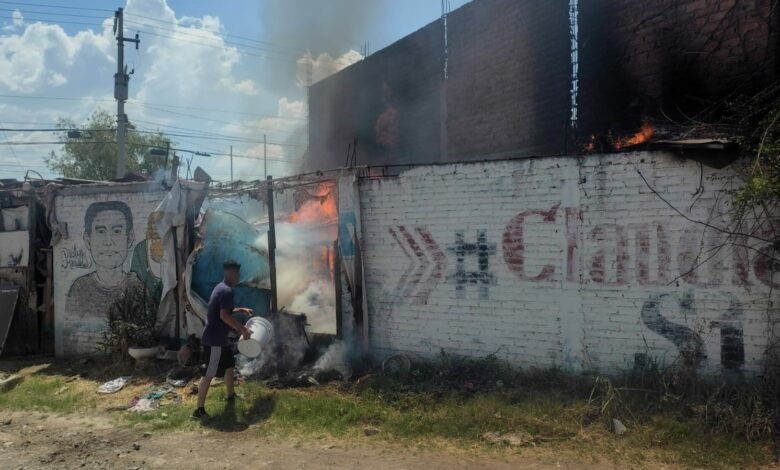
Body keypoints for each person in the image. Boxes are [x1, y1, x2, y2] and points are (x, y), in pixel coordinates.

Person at [64, 201, 143, 352]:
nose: (108, 242)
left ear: (130, 238)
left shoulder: (136, 287)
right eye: (100, 232)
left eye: (117, 231)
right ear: (88, 240)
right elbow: (71, 337)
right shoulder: (80, 289)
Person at [193, 259, 254, 420]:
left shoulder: (221, 287)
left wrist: (240, 310)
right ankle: (198, 410)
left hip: (220, 338)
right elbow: (224, 315)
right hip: (215, 340)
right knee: (209, 373)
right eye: (238, 274)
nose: (239, 277)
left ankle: (230, 395)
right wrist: (243, 329)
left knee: (229, 365)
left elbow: (223, 309)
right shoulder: (227, 291)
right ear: (232, 274)